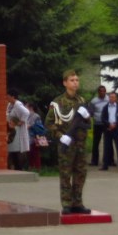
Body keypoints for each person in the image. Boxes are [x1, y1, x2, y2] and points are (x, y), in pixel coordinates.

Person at [45, 70, 92, 214]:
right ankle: (66, 203)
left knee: (80, 174)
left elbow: (87, 123)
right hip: (66, 144)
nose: (75, 82)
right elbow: (49, 123)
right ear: (65, 83)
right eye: (72, 80)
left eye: (77, 80)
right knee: (66, 174)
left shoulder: (82, 101)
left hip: (80, 145)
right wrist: (60, 136)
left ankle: (77, 203)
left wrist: (87, 116)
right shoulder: (57, 102)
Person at [100, 91, 118, 172]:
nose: (111, 99)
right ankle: (105, 165)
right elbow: (103, 118)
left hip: (117, 130)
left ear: (116, 98)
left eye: (113, 97)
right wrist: (108, 124)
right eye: (110, 97)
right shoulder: (105, 107)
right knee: (107, 148)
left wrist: (115, 124)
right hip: (108, 130)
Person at [6, 89, 30, 170]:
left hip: (17, 130)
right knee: (12, 149)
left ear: (13, 96)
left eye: (8, 96)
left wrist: (21, 121)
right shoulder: (10, 105)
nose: (6, 97)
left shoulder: (18, 104)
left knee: (17, 149)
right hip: (12, 128)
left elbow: (26, 112)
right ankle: (15, 166)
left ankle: (19, 167)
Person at [88, 85, 109, 167]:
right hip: (97, 124)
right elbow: (91, 112)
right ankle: (94, 161)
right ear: (98, 92)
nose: (102, 93)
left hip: (106, 124)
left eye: (104, 91)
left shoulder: (108, 99)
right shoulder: (94, 101)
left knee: (108, 143)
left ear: (105, 92)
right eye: (100, 91)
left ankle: (108, 160)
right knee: (96, 143)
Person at [25, 101, 46, 171]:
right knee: (29, 153)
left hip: (35, 137)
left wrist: (30, 126)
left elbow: (38, 127)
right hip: (27, 136)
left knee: (35, 153)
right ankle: (31, 166)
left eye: (26, 107)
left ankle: (38, 168)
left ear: (30, 108)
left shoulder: (36, 116)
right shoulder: (27, 116)